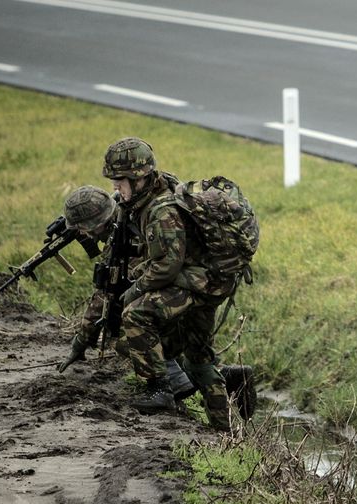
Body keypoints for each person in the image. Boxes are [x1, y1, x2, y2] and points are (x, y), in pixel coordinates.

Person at [101, 136, 234, 427]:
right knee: (199, 356)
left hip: (197, 285)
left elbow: (166, 267)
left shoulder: (161, 210)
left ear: (139, 179)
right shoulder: (157, 193)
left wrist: (133, 289)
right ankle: (225, 432)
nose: (116, 188)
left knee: (136, 314)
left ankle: (160, 389)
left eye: (120, 182)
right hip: (209, 283)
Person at [58, 185, 194, 400]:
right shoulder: (131, 214)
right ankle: (221, 377)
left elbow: (104, 296)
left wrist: (80, 342)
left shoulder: (123, 239)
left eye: (83, 229)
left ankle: (173, 384)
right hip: (185, 289)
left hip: (180, 295)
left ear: (96, 226)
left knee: (124, 340)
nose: (83, 235)